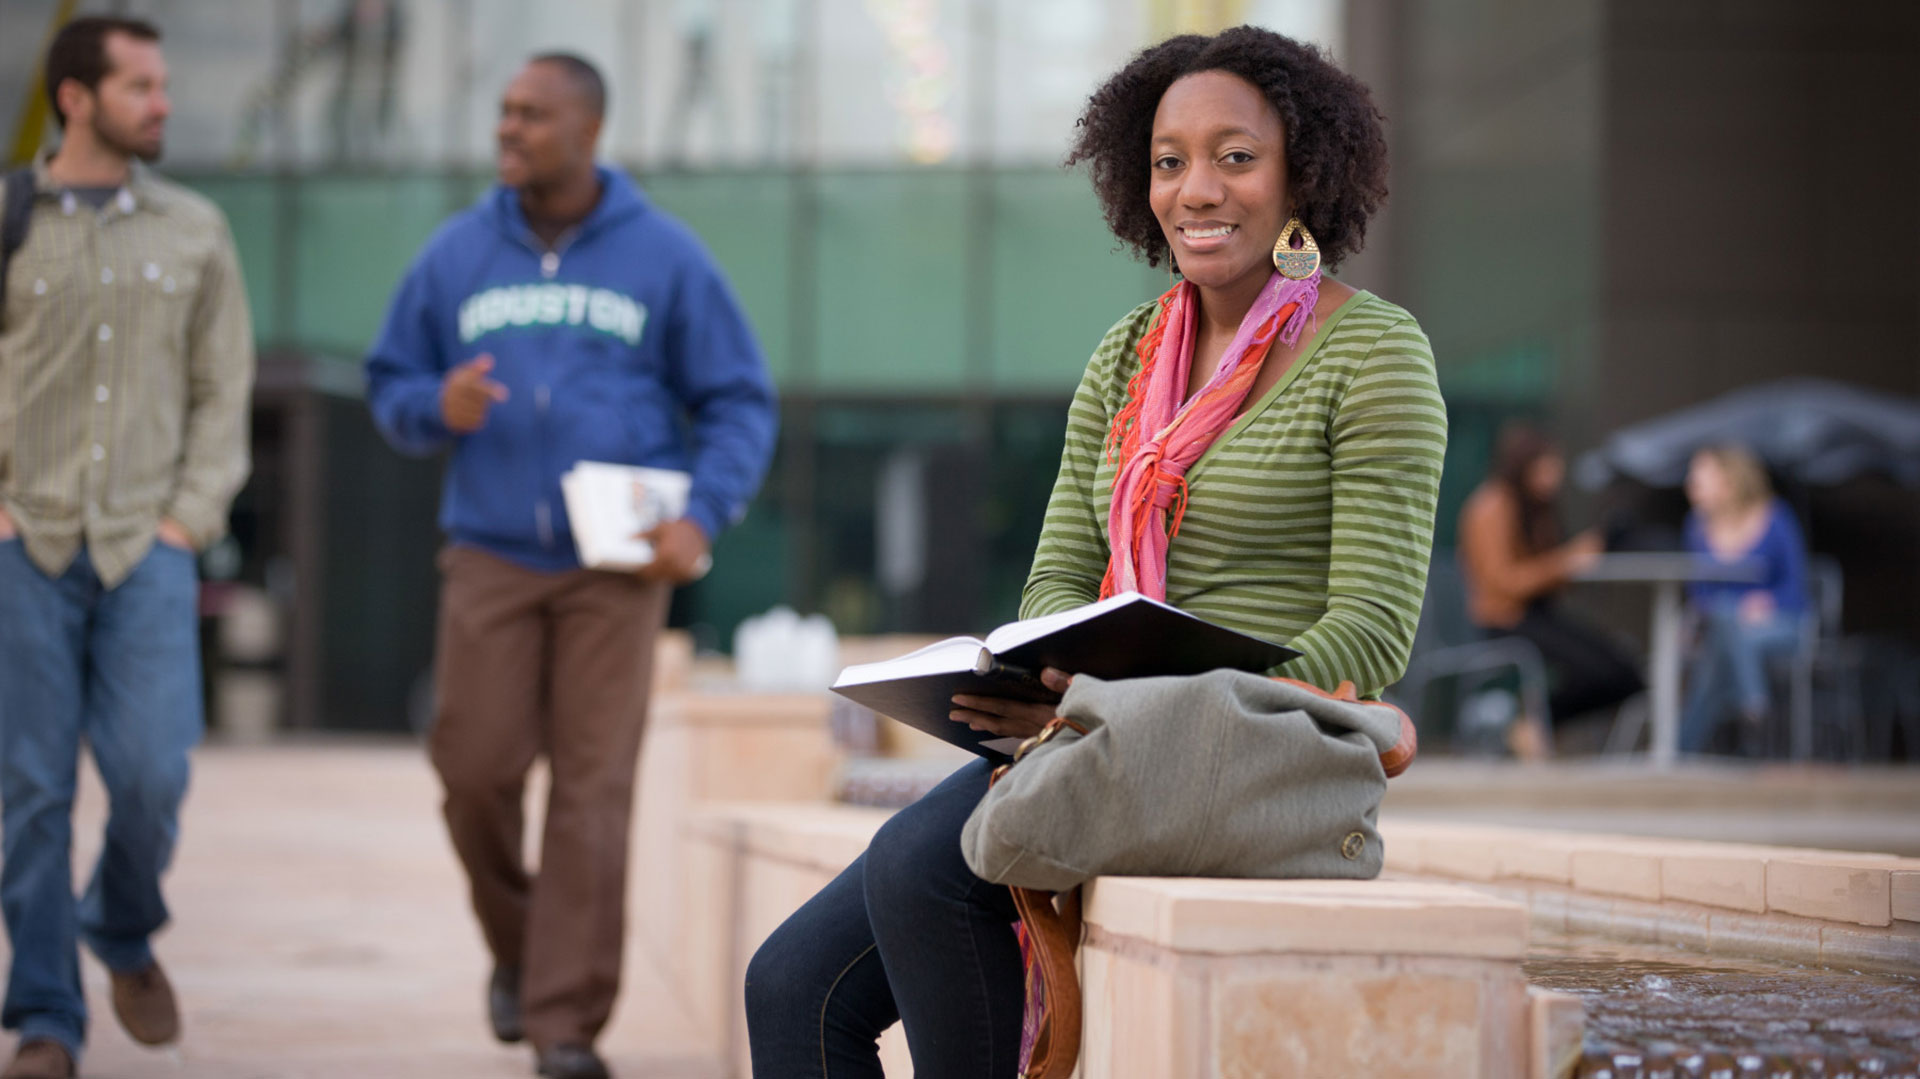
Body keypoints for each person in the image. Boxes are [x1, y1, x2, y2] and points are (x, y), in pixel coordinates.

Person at [743, 26, 1446, 1079]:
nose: (1196, 189)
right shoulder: (1127, 352)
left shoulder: (1376, 352)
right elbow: (1060, 578)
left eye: (1235, 157)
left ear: (1304, 169)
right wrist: (1043, 676)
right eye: (1170, 161)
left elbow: (1371, 634)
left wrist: (1111, 705)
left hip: (1242, 749)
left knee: (922, 872)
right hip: (1086, 729)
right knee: (790, 988)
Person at [363, 53, 775, 1079]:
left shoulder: (665, 257)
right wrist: (433, 406)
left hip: (617, 563)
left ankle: (564, 1024)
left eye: (530, 115)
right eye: (503, 112)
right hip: (491, 553)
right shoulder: (459, 251)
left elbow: (737, 398)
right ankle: (519, 950)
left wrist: (704, 514)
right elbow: (390, 378)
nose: (508, 129)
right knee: (474, 772)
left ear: (587, 131)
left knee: (594, 791)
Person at [0, 16, 255, 1079]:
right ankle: (47, 1019)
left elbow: (221, 388)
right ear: (75, 97)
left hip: (148, 548)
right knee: (34, 791)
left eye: (161, 84)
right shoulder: (9, 217)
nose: (161, 102)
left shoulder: (196, 228)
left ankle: (122, 921)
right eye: (140, 85)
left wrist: (186, 520)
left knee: (152, 770)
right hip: (27, 543)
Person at [1458, 424, 1643, 756]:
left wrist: (1580, 558)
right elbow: (1501, 583)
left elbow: (1547, 569)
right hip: (1507, 619)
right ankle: (1530, 723)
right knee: (1599, 672)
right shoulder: (1491, 506)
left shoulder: (1536, 507)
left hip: (1540, 613)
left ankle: (1536, 723)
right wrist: (1565, 562)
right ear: (1523, 466)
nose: (1554, 476)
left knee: (1626, 672)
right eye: (1546, 467)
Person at [1679, 444, 1808, 754]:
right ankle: (1754, 706)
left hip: (1780, 624)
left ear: (1729, 480)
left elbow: (1796, 588)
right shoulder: (1696, 527)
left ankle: (1679, 751)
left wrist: (1768, 603)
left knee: (1719, 654)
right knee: (1726, 618)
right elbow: (1699, 594)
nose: (1690, 484)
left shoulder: (1777, 519)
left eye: (1700, 476)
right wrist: (1733, 613)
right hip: (1726, 628)